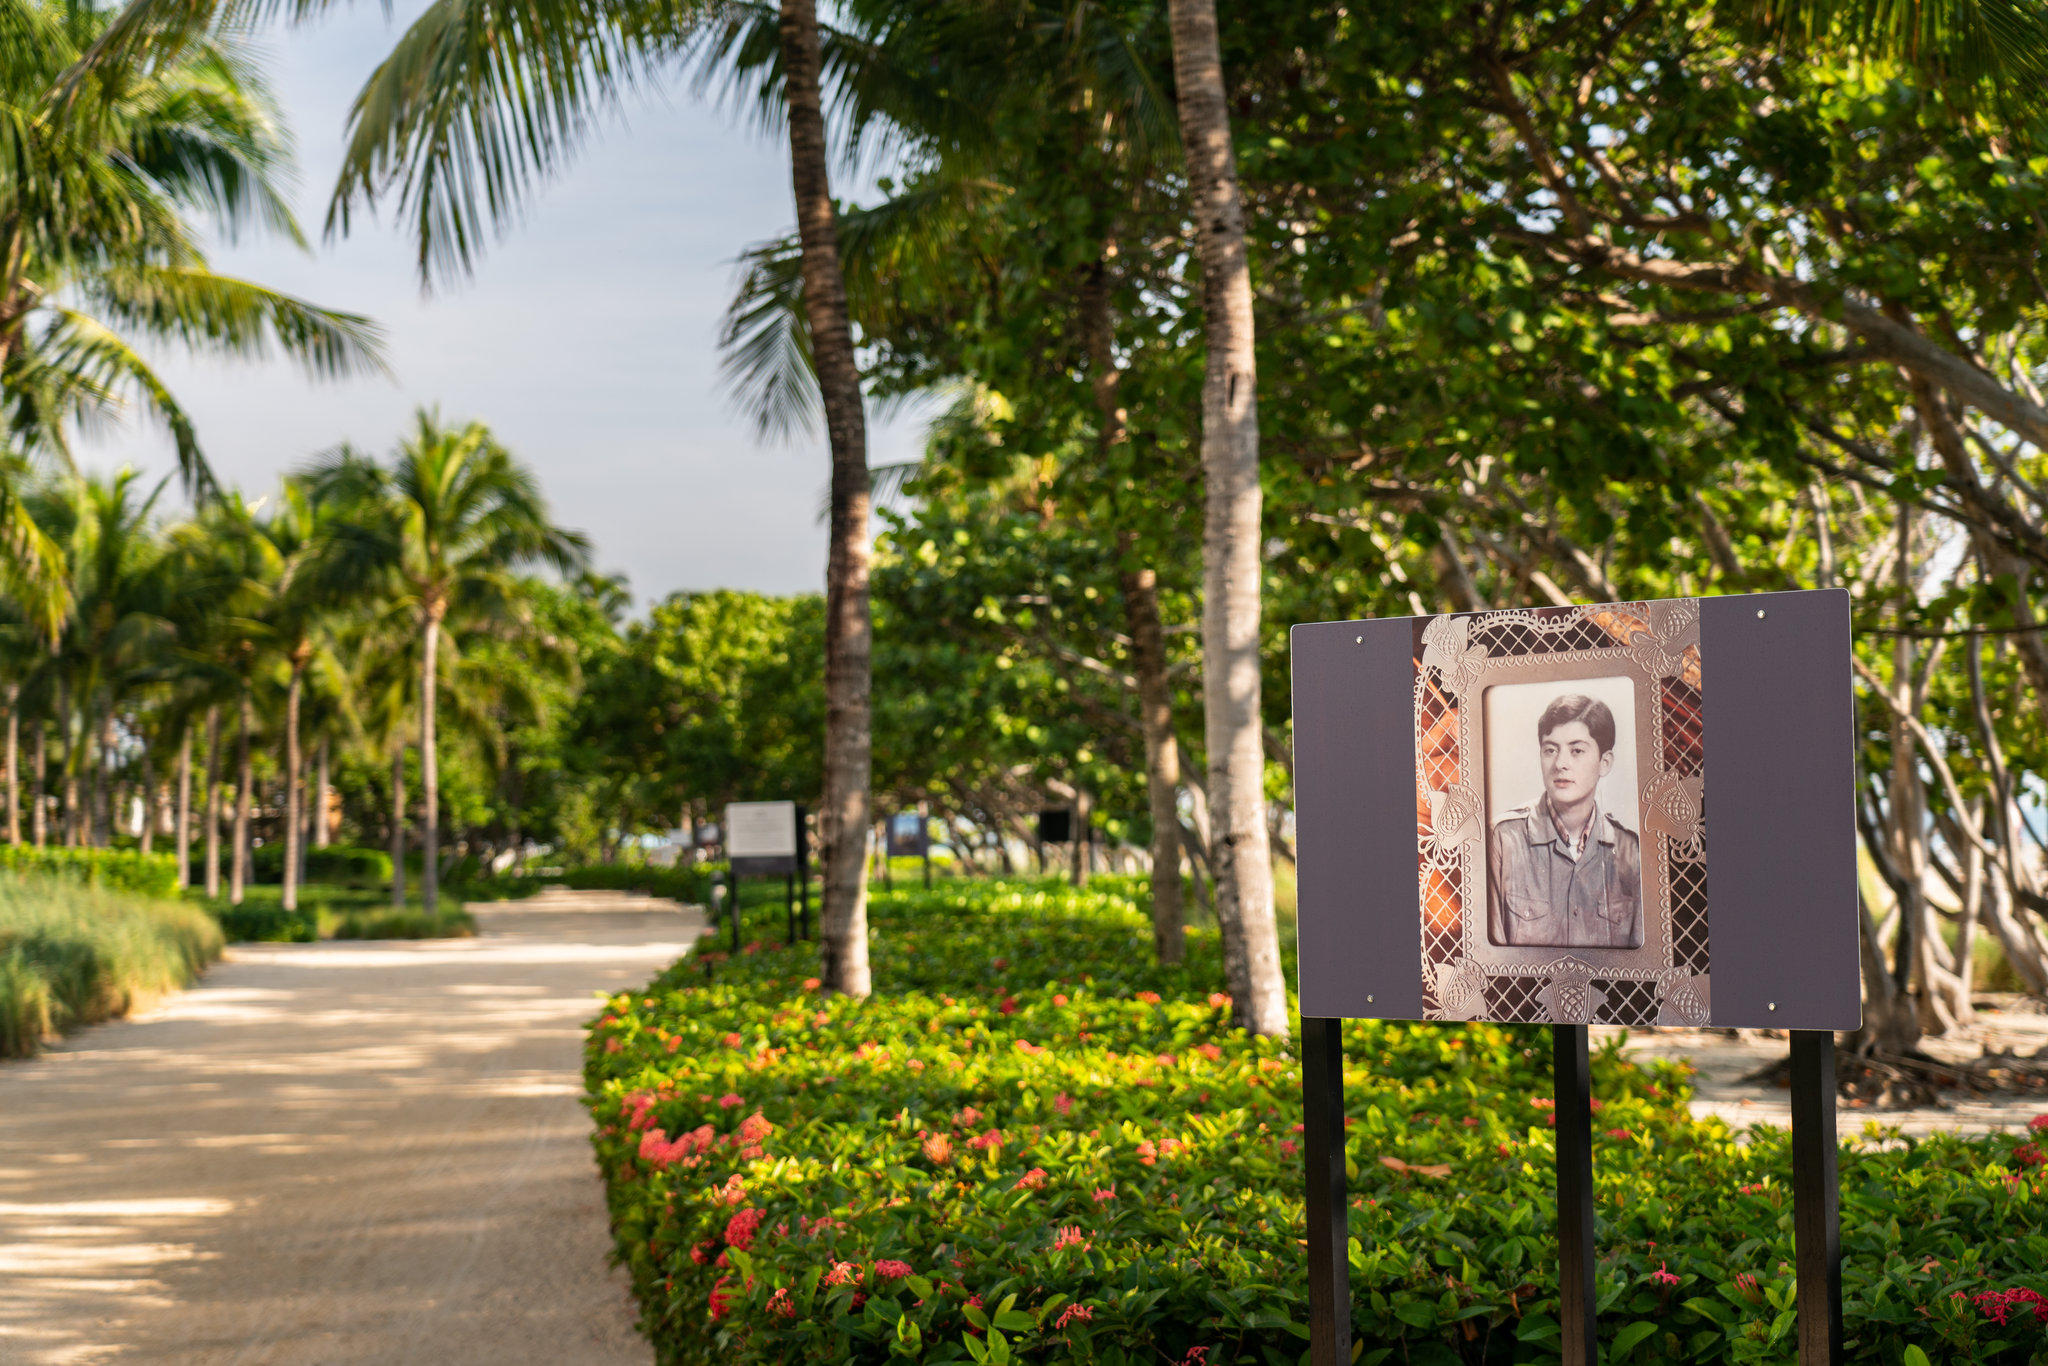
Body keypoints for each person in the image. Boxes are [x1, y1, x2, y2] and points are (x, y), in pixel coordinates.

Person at [1487, 693, 1642, 949]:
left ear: (1605, 762)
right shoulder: (1503, 840)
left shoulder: (1630, 849)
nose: (1560, 763)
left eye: (1577, 750)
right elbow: (1491, 964)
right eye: (1550, 750)